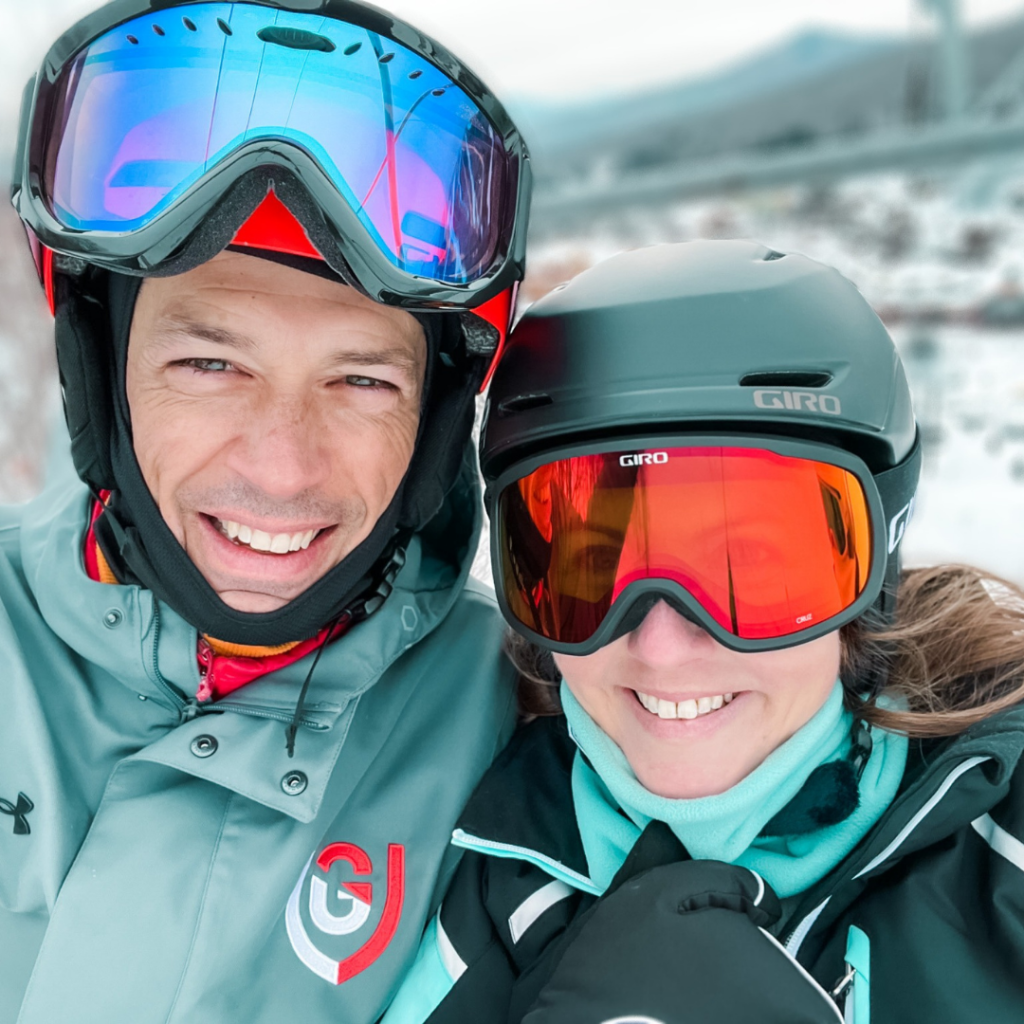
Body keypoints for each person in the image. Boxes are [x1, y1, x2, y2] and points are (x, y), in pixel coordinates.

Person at [0, 3, 530, 1022]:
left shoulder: (526, 711)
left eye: (362, 382)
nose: (282, 469)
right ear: (101, 372)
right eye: (209, 363)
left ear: (432, 421)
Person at [383, 241, 1024, 1024]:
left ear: (871, 574)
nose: (659, 645)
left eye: (747, 568)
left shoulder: (1001, 847)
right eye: (590, 574)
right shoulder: (491, 878)